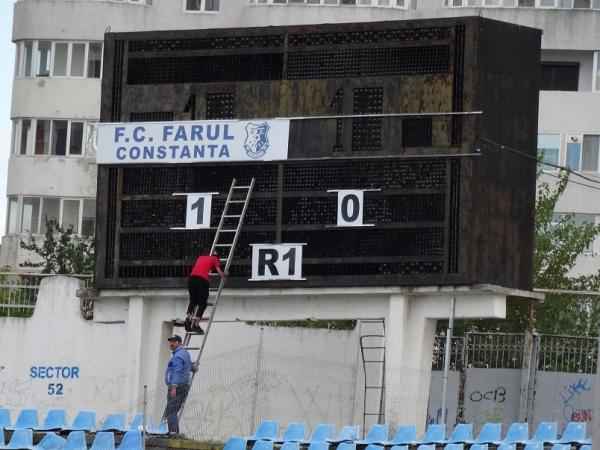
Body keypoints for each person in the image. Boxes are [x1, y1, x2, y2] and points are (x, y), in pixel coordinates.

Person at [185, 252, 229, 334]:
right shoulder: (215, 259)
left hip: (191, 278)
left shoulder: (201, 257)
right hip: (202, 280)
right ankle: (196, 324)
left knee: (193, 300)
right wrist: (225, 273)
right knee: (203, 303)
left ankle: (188, 319)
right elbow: (220, 273)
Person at [163, 335, 196, 435]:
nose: (171, 344)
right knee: (173, 410)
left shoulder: (177, 356)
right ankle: (175, 433)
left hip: (177, 387)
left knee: (171, 411)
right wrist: (194, 368)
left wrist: (173, 387)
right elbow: (190, 366)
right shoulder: (185, 353)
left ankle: (173, 434)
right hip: (183, 386)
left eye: (174, 342)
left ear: (180, 343)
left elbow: (177, 371)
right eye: (171, 341)